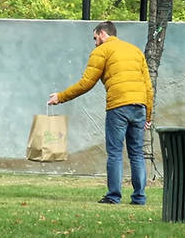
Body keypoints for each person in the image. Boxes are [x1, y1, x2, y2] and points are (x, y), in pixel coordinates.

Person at [47, 21, 153, 205]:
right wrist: (148, 115)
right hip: (139, 106)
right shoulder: (135, 51)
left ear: (103, 34)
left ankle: (113, 196)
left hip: (118, 106)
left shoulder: (101, 51)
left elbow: (86, 83)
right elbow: (148, 87)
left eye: (95, 38)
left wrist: (61, 97)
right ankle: (139, 198)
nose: (95, 43)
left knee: (115, 152)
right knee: (136, 154)